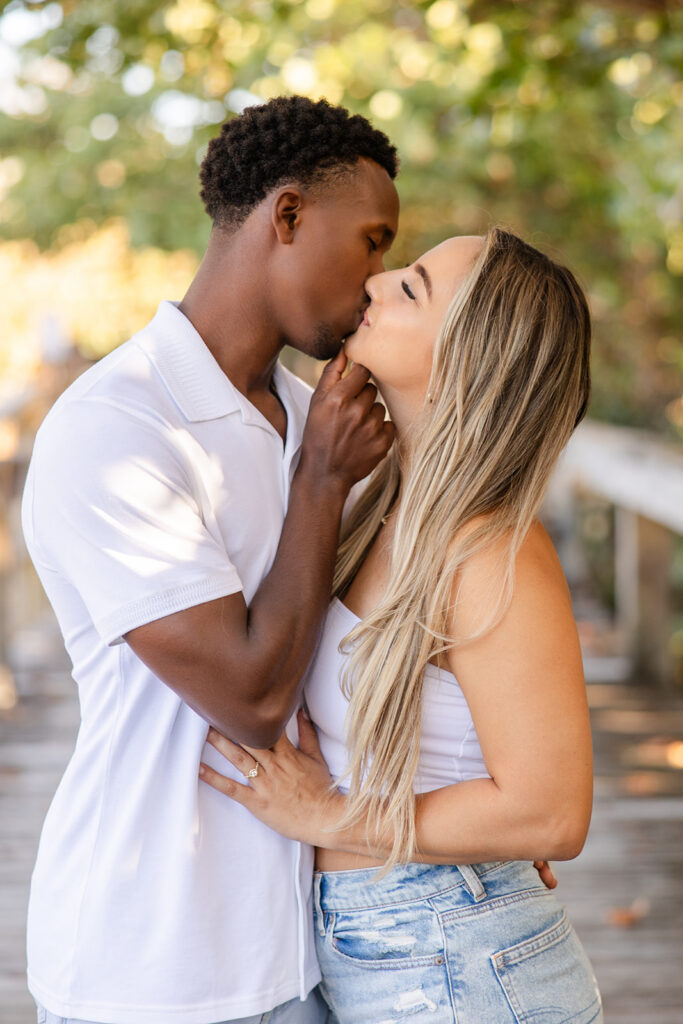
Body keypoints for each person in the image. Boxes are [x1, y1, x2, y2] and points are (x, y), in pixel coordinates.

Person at [21, 96, 400, 1024]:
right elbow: (250, 696)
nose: (379, 282)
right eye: (373, 240)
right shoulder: (116, 426)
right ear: (287, 216)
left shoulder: (320, 423)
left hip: (307, 952)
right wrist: (319, 483)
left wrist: (485, 822)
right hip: (150, 968)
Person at [200, 228, 604, 1023]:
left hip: (459, 956)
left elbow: (552, 813)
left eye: (411, 288)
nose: (376, 284)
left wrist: (329, 816)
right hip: (395, 946)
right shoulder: (373, 506)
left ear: (467, 361)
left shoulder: (490, 552)